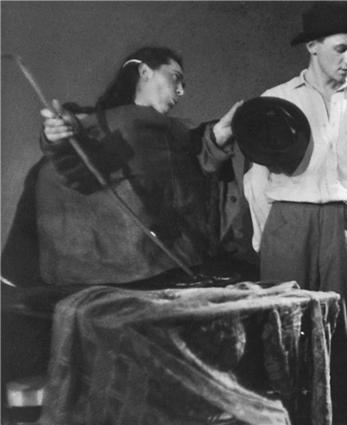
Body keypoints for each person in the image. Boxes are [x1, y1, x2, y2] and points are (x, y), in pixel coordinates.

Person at [242, 2, 347, 418]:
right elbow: (257, 179)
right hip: (290, 221)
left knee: (342, 327)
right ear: (312, 46)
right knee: (282, 326)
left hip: (345, 223)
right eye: (341, 48)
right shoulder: (277, 100)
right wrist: (269, 235)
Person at [29, 46, 244, 286]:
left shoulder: (175, 132)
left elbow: (192, 168)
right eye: (175, 77)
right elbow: (69, 165)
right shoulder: (98, 126)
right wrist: (58, 138)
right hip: (114, 278)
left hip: (176, 268)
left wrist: (217, 136)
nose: (181, 91)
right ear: (145, 72)